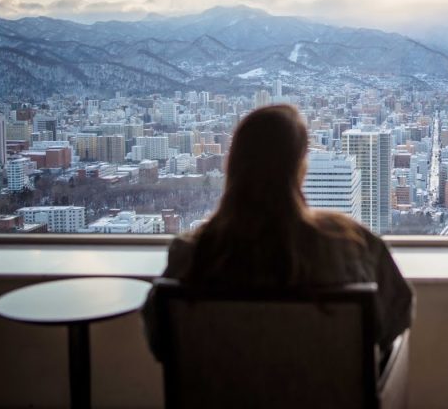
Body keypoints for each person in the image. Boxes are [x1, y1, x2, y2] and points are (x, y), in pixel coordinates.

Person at [142, 104, 413, 366]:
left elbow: (161, 343)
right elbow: (395, 317)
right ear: (300, 169)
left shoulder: (191, 253)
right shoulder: (351, 243)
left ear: (233, 166)